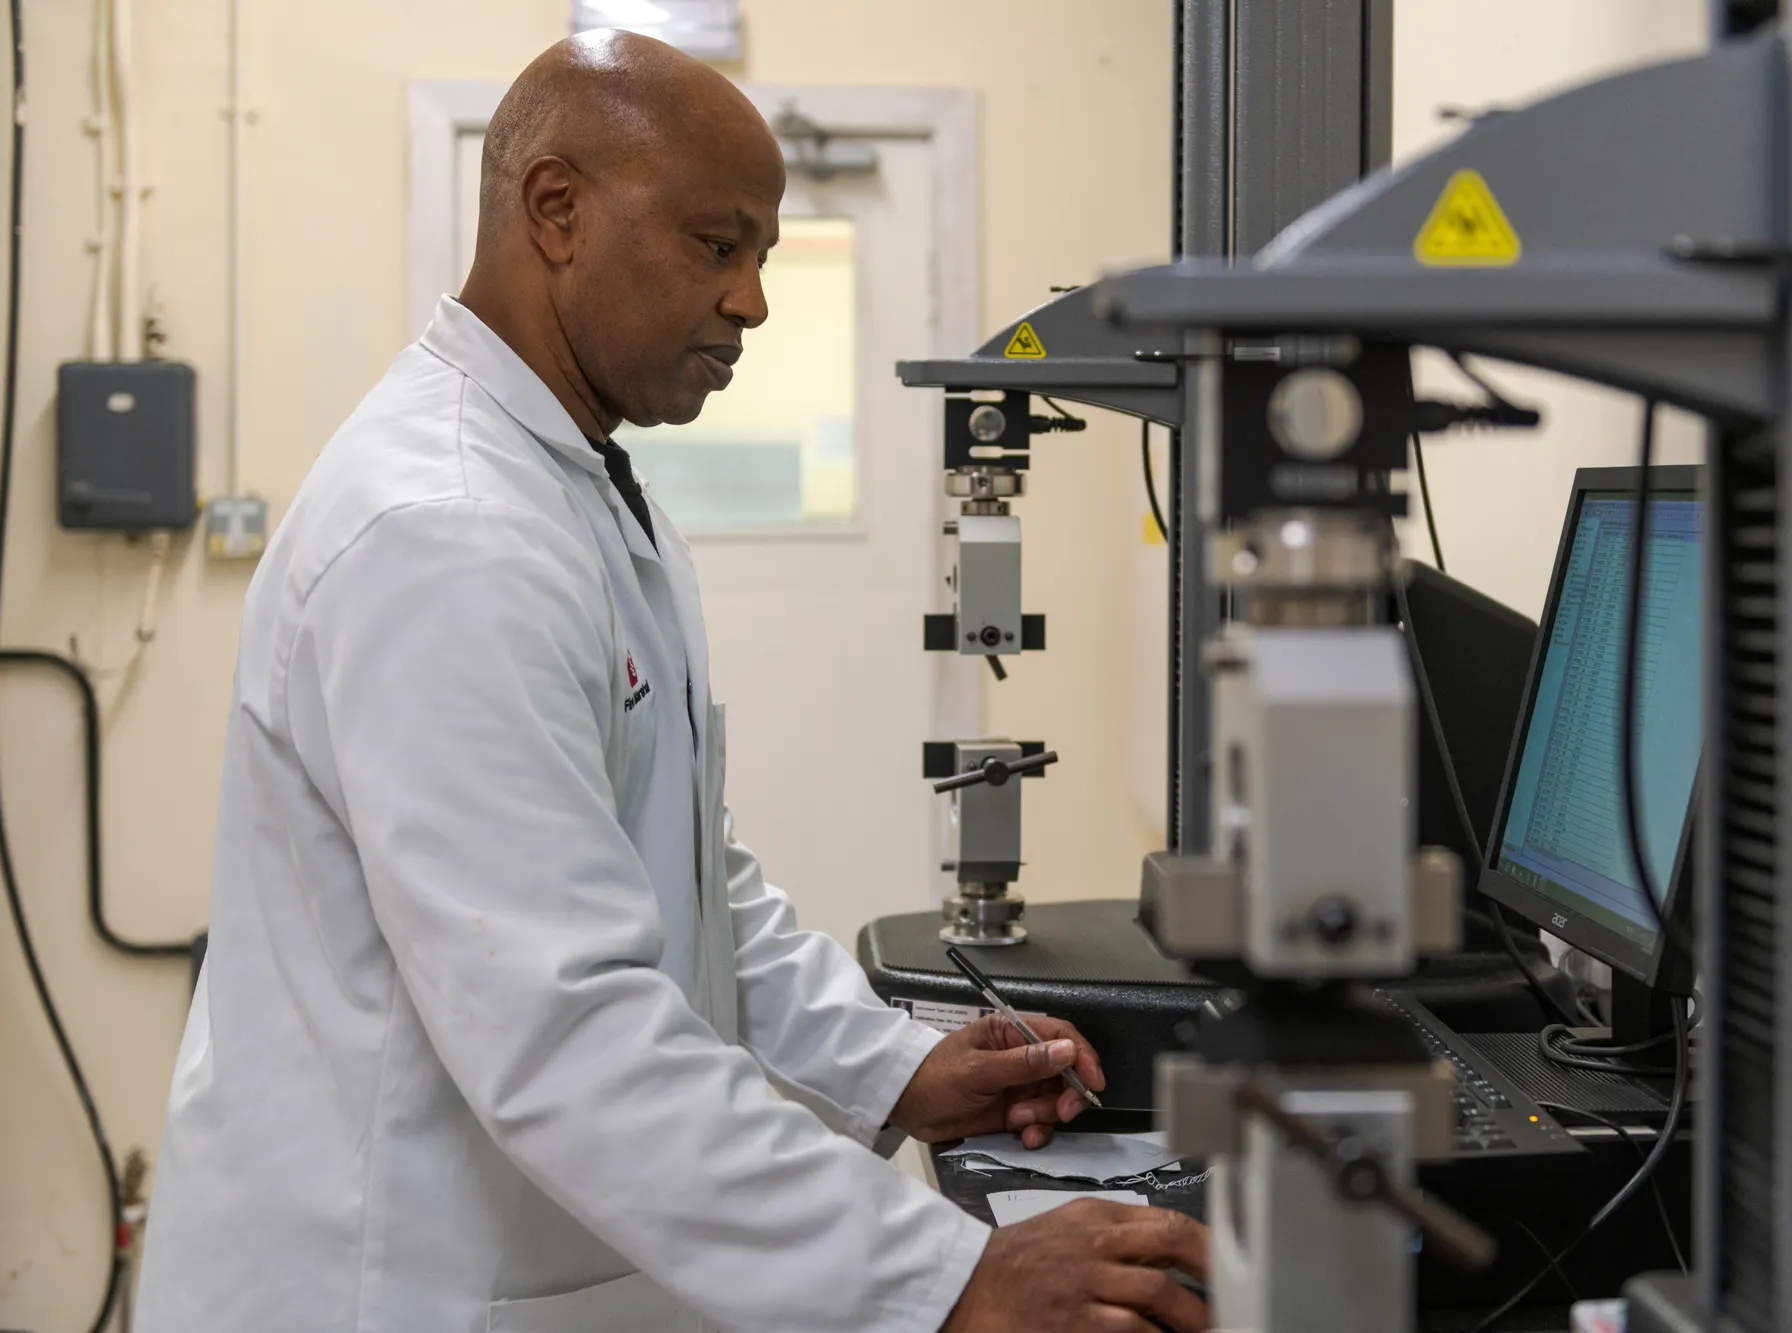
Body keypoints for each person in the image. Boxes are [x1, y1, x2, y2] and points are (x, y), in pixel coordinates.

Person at [132, 28, 1207, 1333]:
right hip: (378, 1282)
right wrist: (952, 1275)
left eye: (763, 253)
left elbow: (681, 873)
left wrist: (892, 1065)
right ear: (557, 212)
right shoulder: (446, 531)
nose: (754, 298)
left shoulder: (577, 487)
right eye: (717, 245)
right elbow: (567, 1034)